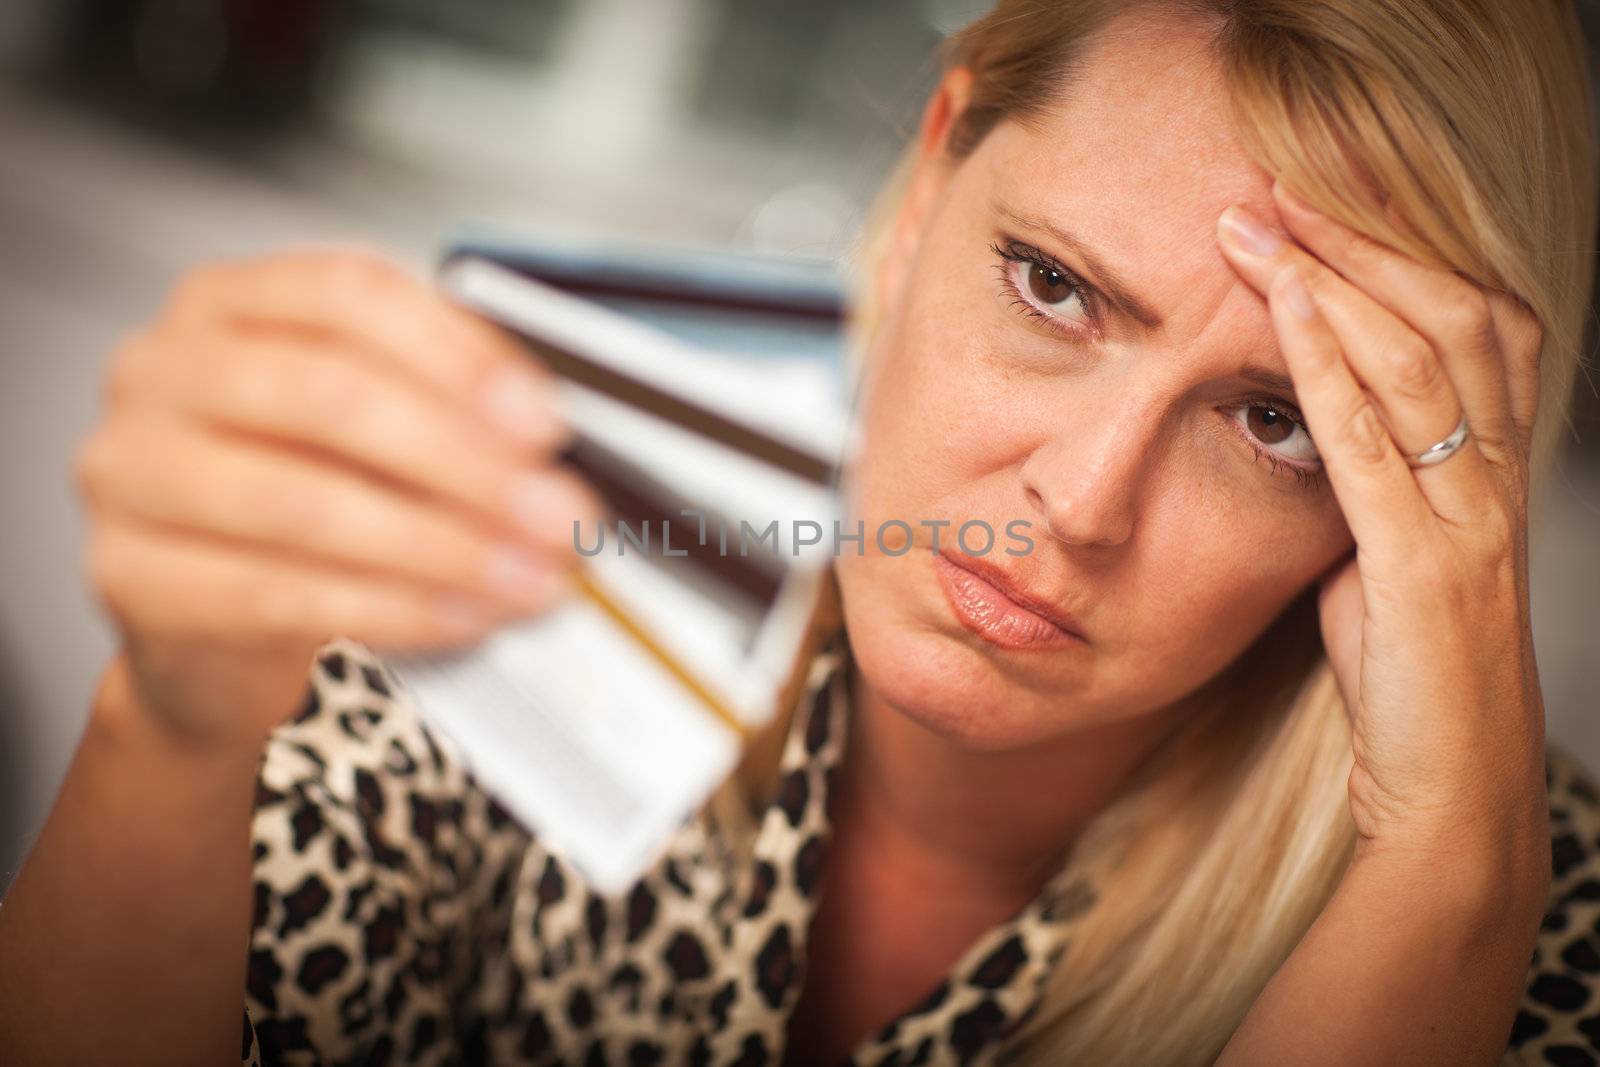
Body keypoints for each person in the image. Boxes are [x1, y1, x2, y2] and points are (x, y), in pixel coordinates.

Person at [2, 0, 1597, 1063]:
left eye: (1279, 424)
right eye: (1054, 286)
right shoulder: (526, 569)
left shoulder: (1533, 929)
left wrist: (1444, 878)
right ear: (926, 185)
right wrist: (171, 725)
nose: (1084, 502)